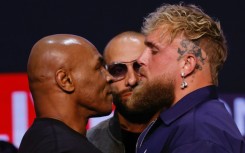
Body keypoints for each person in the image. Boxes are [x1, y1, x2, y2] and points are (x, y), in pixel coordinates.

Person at [125, 3, 245, 153]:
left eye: (154, 51)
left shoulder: (198, 135)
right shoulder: (187, 125)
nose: (140, 59)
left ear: (187, 64)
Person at [18, 34, 114, 153]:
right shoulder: (65, 149)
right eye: (98, 68)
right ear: (65, 80)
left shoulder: (39, 140)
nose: (109, 77)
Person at [87, 31, 160, 153]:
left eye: (139, 66)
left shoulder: (186, 134)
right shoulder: (89, 144)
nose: (132, 80)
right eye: (118, 70)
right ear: (106, 76)